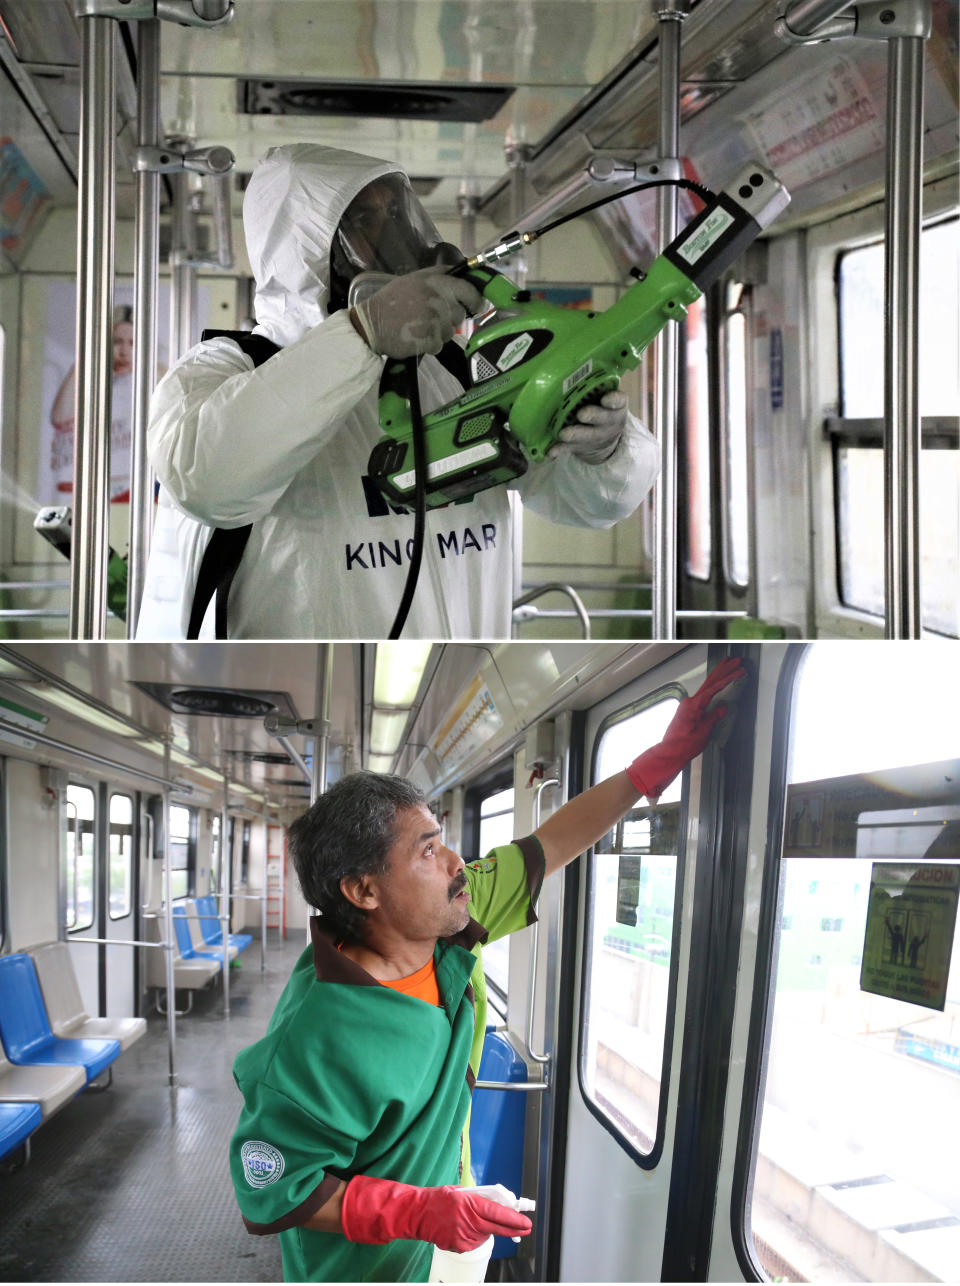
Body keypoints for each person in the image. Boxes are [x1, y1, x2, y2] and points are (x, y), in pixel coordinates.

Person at [228, 656, 745, 1282]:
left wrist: (656, 762)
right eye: (427, 851)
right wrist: (420, 1211)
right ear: (365, 892)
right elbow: (277, 1186)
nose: (455, 861)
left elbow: (553, 842)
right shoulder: (315, 1038)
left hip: (449, 1225)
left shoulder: (451, 922)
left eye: (441, 838)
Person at [136, 143, 659, 639]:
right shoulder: (225, 372)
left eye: (398, 215)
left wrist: (604, 450)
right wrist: (362, 334)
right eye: (365, 220)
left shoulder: (457, 368)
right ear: (304, 249)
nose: (396, 238)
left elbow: (588, 505)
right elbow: (207, 480)